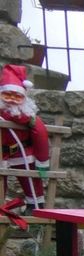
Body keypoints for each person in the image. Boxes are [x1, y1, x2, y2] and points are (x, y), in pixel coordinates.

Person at [0, 64, 49, 213]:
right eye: (7, 96)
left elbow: (40, 135)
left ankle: (35, 207)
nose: (12, 100)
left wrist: (42, 161)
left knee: (31, 182)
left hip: (23, 151)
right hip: (1, 154)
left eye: (17, 96)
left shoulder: (29, 117)